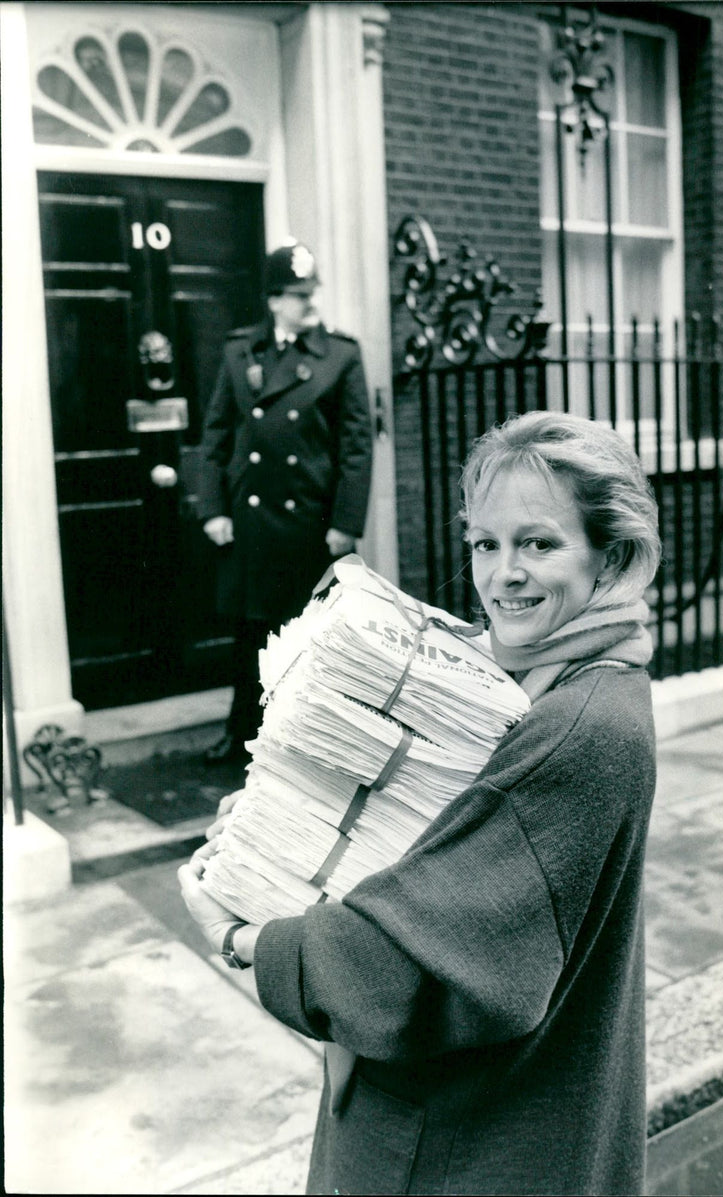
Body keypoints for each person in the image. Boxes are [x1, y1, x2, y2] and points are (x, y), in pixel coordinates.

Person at [179, 409, 662, 1196]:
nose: (503, 574)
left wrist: (243, 938)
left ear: (611, 555)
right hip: (487, 1124)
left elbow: (415, 973)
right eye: (486, 543)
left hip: (467, 1141)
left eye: (539, 542)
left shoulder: (581, 724)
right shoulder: (558, 683)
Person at [197, 241, 373, 764]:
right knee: (249, 634)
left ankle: (306, 741)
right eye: (298, 295)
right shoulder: (240, 352)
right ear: (274, 300)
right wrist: (213, 509)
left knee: (309, 635)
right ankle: (242, 735)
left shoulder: (339, 355)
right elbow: (216, 437)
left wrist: (345, 521)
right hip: (250, 523)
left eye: (312, 292)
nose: (309, 302)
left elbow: (357, 446)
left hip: (308, 524)